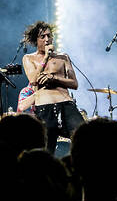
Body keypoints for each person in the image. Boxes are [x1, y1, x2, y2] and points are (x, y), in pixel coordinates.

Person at [21, 21, 84, 154]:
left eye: (49, 36)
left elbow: (74, 83)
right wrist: (46, 58)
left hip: (66, 104)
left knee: (84, 137)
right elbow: (33, 80)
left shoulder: (63, 57)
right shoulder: (28, 58)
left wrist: (54, 78)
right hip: (45, 107)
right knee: (47, 149)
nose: (47, 39)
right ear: (35, 40)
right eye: (42, 37)